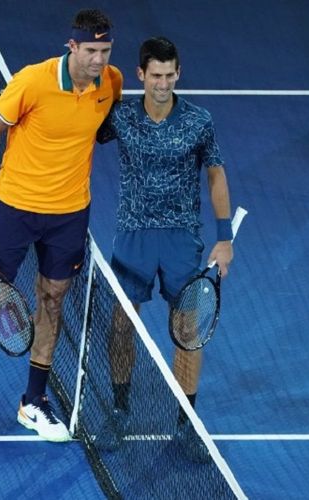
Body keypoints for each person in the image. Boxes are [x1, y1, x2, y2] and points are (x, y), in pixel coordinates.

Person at [0, 9, 123, 451]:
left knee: (53, 298)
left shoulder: (111, 82)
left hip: (69, 215)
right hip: (15, 209)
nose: (99, 60)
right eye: (92, 51)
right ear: (73, 47)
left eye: (106, 51)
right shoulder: (32, 81)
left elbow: (101, 130)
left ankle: (34, 400)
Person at [96, 37, 234, 459]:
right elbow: (78, 129)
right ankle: (119, 410)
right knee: (122, 325)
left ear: (178, 73)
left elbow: (215, 176)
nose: (162, 83)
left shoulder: (199, 121)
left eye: (169, 75)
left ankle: (186, 423)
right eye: (154, 75)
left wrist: (224, 237)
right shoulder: (119, 117)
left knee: (188, 333)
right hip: (133, 235)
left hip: (181, 237)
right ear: (140, 75)